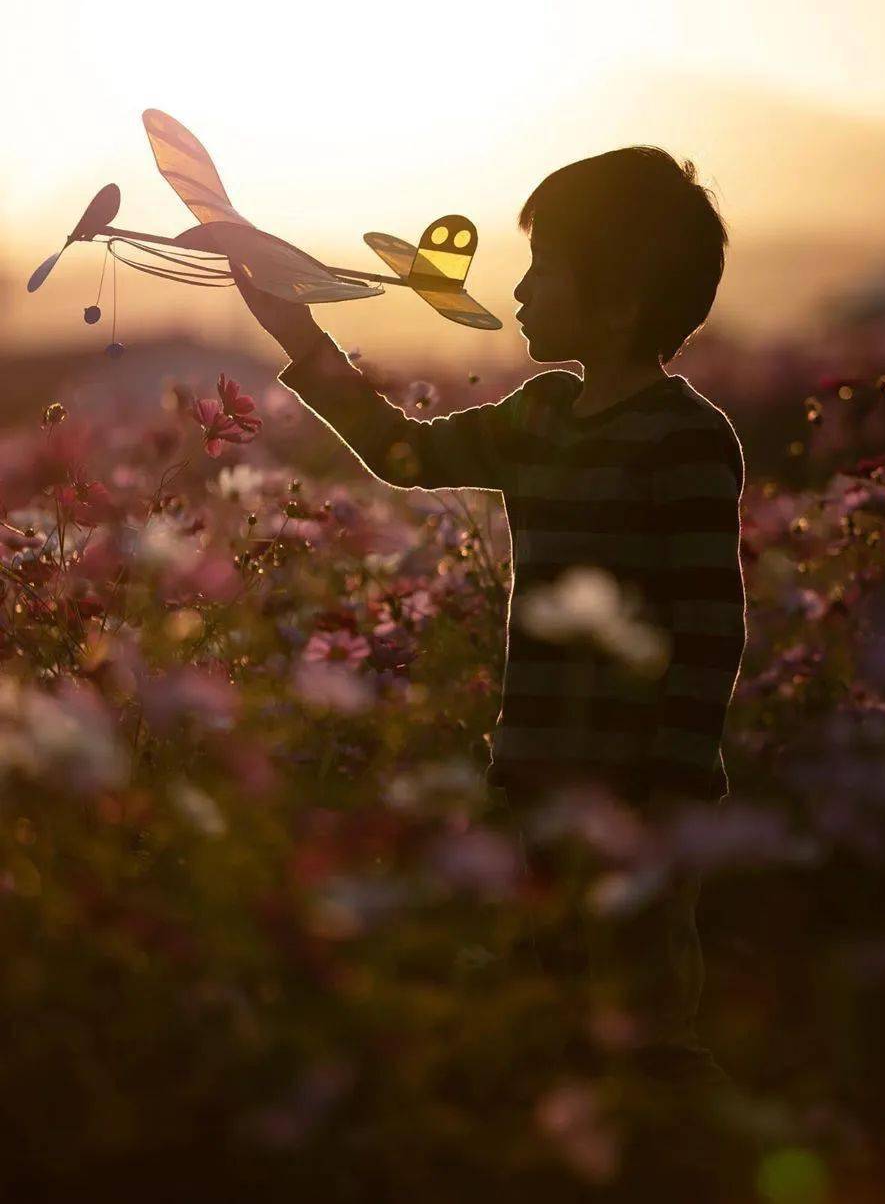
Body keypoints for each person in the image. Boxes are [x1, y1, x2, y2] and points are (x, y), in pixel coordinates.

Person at [235, 145, 747, 1084]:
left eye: (544, 269)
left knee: (643, 1007)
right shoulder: (541, 415)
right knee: (547, 989)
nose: (516, 291)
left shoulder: (687, 439)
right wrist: (301, 342)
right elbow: (402, 452)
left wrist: (674, 788)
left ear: (622, 301)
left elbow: (710, 628)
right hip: (540, 766)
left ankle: (672, 1154)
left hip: (642, 787)